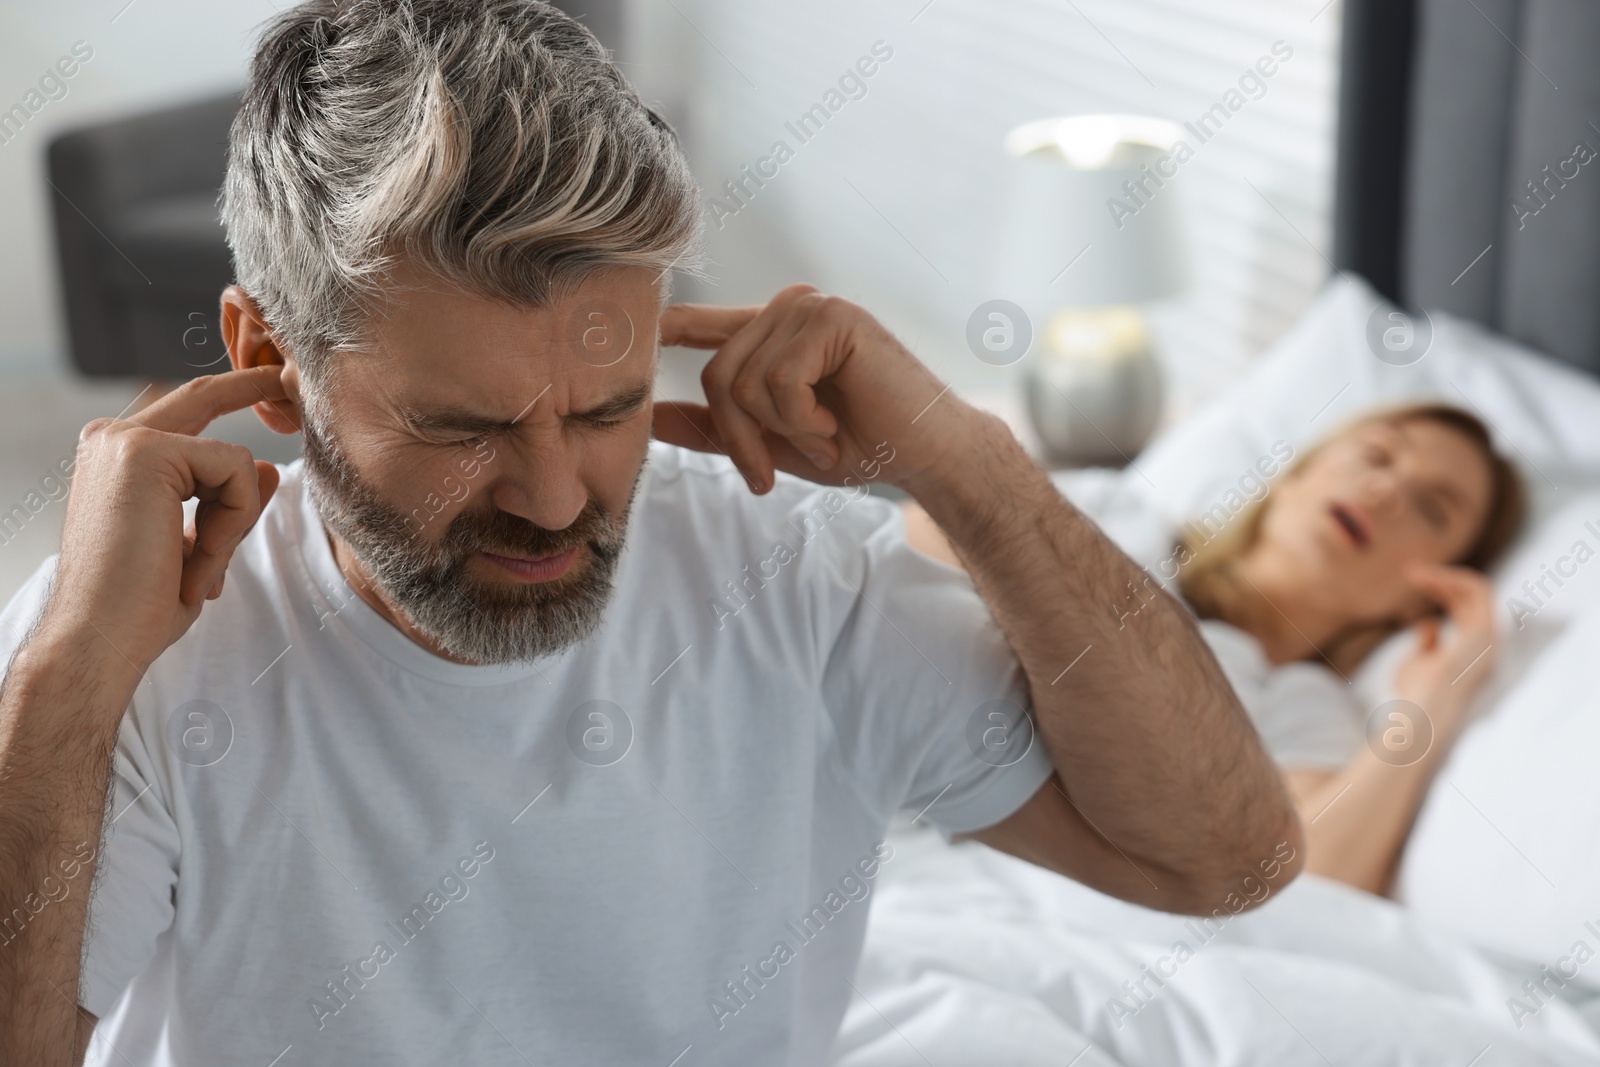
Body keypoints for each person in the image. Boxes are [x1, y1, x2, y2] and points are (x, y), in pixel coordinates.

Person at [0, 3, 1301, 1064]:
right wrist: (60, 684)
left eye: (608, 406)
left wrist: (970, 466)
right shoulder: (132, 651)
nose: (558, 497)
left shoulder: (790, 582)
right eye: (466, 429)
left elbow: (1230, 861)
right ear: (269, 363)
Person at [904, 402, 1525, 898]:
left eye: (1430, 509)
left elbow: (1312, 881)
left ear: (1419, 601)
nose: (1386, 490)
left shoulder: (1303, 708)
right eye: (1376, 454)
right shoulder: (1115, 515)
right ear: (1294, 477)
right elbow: (914, 542)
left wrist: (1434, 699)